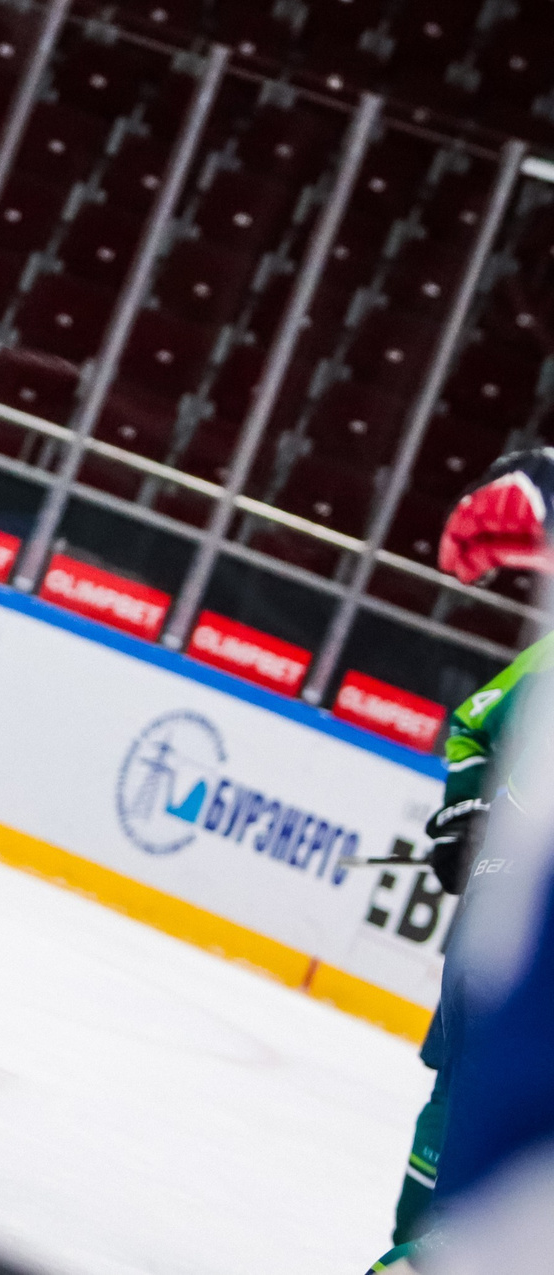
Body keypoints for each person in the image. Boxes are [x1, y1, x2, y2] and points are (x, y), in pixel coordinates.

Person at [371, 447, 551, 1272]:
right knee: (474, 1109)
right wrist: (465, 817)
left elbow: (476, 721)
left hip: (510, 915)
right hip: (516, 920)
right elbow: (478, 720)